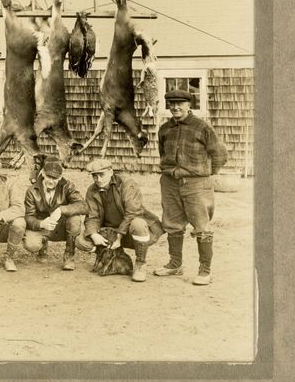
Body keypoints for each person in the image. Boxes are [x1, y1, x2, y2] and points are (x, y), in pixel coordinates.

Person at [154, 89, 229, 285]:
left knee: (201, 226)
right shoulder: (164, 129)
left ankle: (205, 270)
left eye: (180, 103)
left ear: (189, 105)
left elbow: (220, 154)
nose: (176, 107)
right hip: (170, 182)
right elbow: (162, 152)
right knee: (172, 224)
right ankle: (175, 264)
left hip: (197, 184)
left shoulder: (202, 127)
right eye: (172, 104)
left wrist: (204, 174)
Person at [75, 158, 164, 282]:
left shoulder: (127, 184)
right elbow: (91, 216)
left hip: (128, 232)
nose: (98, 179)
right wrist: (94, 234)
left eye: (102, 174)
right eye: (95, 176)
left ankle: (140, 264)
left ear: (111, 172)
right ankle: (110, 255)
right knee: (80, 241)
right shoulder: (92, 190)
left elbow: (133, 213)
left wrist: (119, 236)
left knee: (138, 224)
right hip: (109, 234)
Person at [22, 157, 88, 271]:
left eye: (55, 178)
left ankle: (69, 256)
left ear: (60, 177)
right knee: (31, 245)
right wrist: (41, 223)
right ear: (42, 173)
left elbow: (84, 206)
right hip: (43, 226)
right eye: (48, 177)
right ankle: (42, 248)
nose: (51, 181)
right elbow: (28, 216)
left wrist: (61, 209)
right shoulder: (32, 190)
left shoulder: (68, 186)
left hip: (62, 225)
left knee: (75, 219)